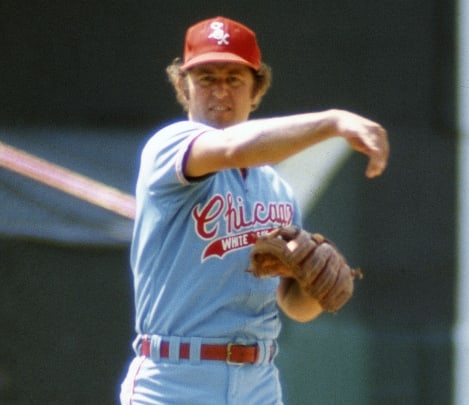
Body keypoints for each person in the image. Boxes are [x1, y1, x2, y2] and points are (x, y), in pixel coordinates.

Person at [119, 16, 389, 405]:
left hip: (258, 382)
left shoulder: (276, 188)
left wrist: (315, 286)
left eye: (234, 78)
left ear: (256, 89)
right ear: (184, 86)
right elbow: (231, 147)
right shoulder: (170, 147)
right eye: (206, 78)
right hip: (175, 380)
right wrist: (333, 122)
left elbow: (294, 307)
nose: (220, 92)